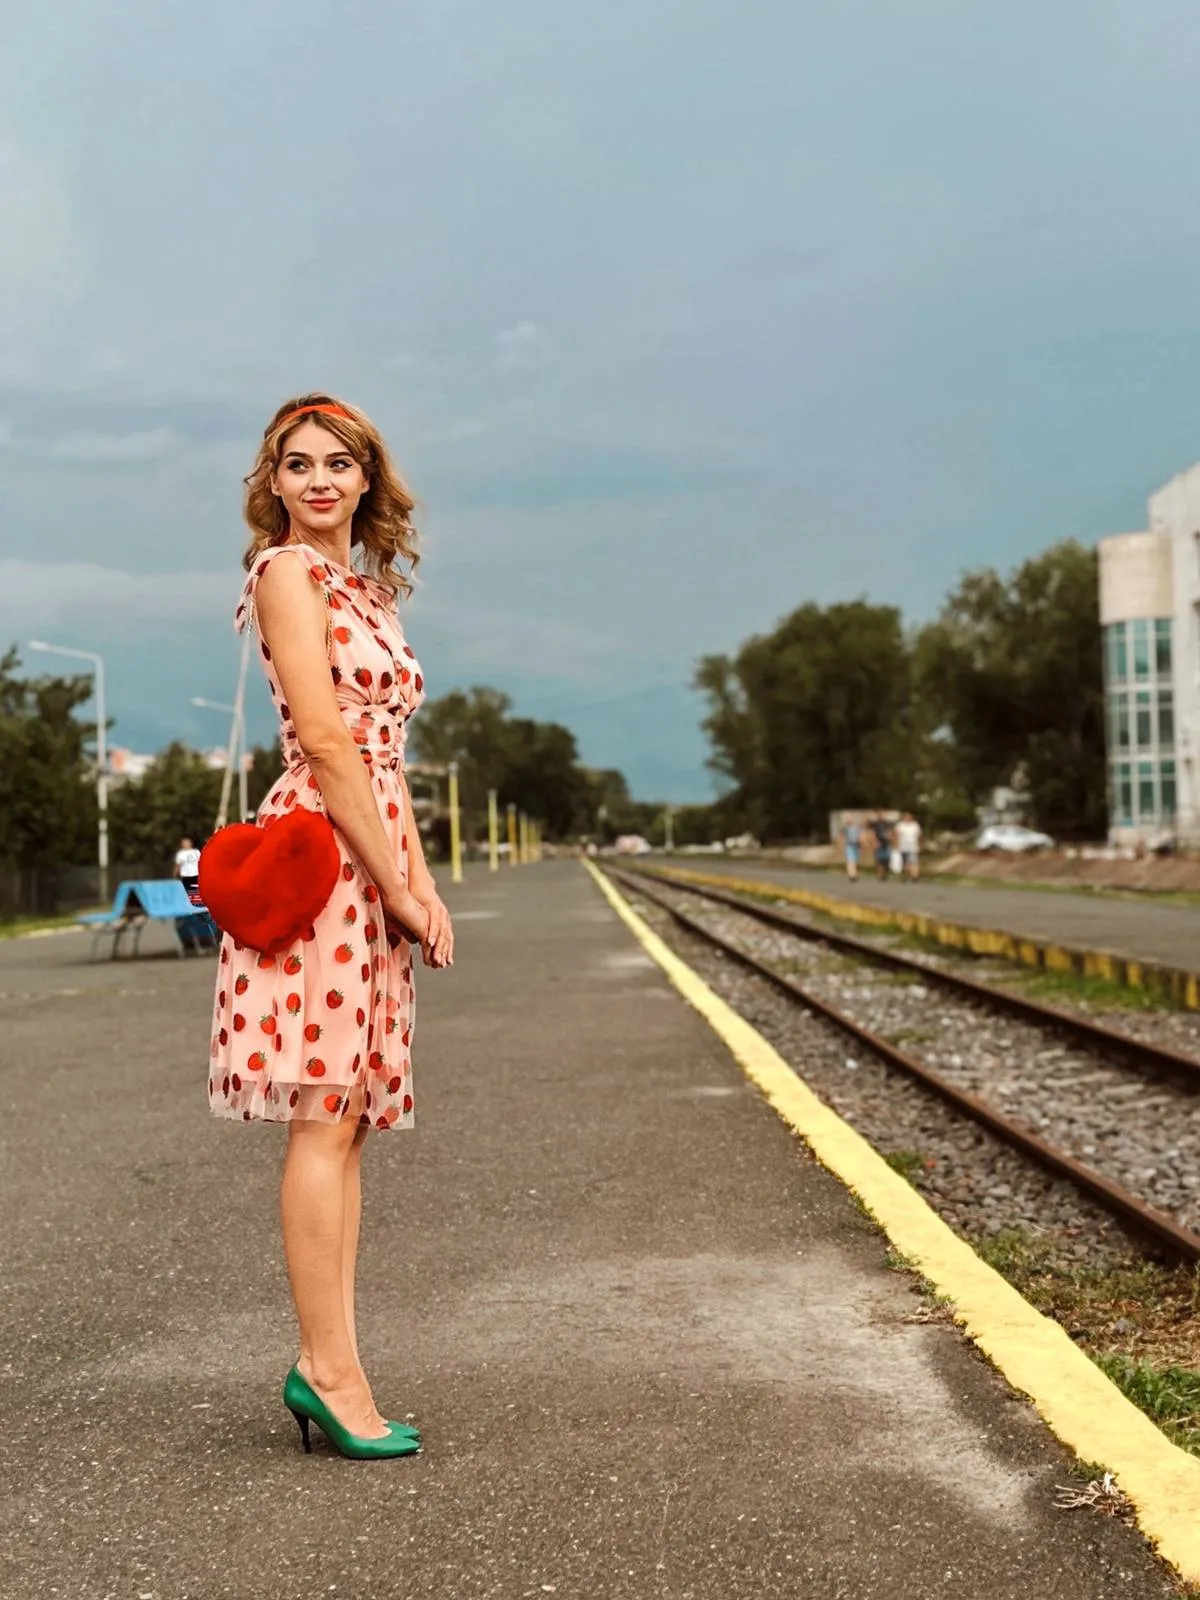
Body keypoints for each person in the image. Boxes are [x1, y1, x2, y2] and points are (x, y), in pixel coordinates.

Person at [207, 394, 454, 1461]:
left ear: (366, 480)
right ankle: (329, 1370)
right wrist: (393, 882)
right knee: (321, 1113)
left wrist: (421, 878)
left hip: (376, 839)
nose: (318, 480)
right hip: (323, 851)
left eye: (338, 463)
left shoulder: (368, 590)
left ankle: (336, 1364)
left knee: (346, 1118)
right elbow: (322, 736)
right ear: (274, 482)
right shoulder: (286, 575)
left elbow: (387, 756)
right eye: (298, 463)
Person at [896, 811, 923, 881]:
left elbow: (919, 835)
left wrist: (920, 845)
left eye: (909, 817)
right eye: (906, 817)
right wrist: (896, 844)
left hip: (913, 846)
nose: (907, 818)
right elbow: (897, 835)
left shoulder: (915, 825)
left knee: (914, 861)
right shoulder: (900, 825)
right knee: (904, 862)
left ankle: (915, 876)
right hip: (903, 846)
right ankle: (904, 875)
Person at [871, 812, 893, 880]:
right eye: (880, 815)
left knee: (887, 860)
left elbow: (890, 832)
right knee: (879, 860)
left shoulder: (887, 824)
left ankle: (885, 873)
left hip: (886, 844)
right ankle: (879, 874)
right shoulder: (876, 824)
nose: (881, 817)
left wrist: (890, 838)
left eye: (882, 815)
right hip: (879, 844)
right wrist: (875, 842)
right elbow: (873, 834)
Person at [842, 817, 861, 881]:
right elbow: (843, 835)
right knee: (850, 860)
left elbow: (860, 836)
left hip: (856, 845)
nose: (848, 822)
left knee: (855, 861)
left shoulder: (856, 828)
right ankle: (851, 875)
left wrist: (861, 843)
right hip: (849, 845)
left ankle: (855, 873)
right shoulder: (846, 828)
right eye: (847, 821)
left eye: (850, 820)